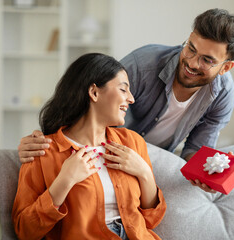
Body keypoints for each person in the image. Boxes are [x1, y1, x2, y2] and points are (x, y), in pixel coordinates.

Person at [17, 8, 234, 193]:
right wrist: (46, 138)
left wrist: (205, 172)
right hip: (110, 155)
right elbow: (90, 102)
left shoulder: (223, 95)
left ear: (226, 67)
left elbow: (196, 149)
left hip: (155, 161)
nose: (192, 62)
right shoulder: (142, 64)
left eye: (207, 60)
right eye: (190, 48)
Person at [12, 53, 166, 240]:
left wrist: (144, 173)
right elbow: (25, 231)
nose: (131, 99)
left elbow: (151, 220)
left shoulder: (132, 142)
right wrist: (64, 182)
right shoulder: (42, 151)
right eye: (123, 90)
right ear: (94, 92)